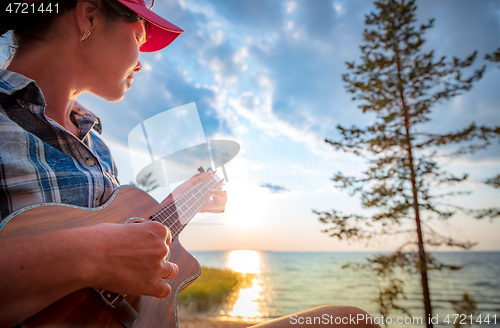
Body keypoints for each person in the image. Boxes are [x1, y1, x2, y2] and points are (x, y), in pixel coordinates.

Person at [0, 0, 379, 327]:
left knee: (349, 319)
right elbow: (103, 252)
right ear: (89, 17)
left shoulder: (95, 144)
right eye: (138, 38)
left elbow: (116, 264)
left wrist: (182, 202)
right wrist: (91, 255)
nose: (142, 63)